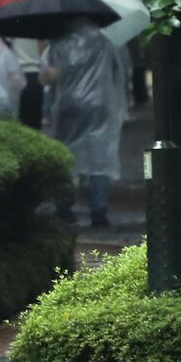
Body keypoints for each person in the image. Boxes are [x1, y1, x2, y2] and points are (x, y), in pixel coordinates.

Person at [42, 17, 127, 227]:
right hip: (99, 104)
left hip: (67, 105)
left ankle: (64, 208)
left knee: (67, 154)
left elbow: (50, 75)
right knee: (100, 156)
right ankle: (98, 210)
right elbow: (117, 70)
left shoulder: (59, 42)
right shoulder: (104, 41)